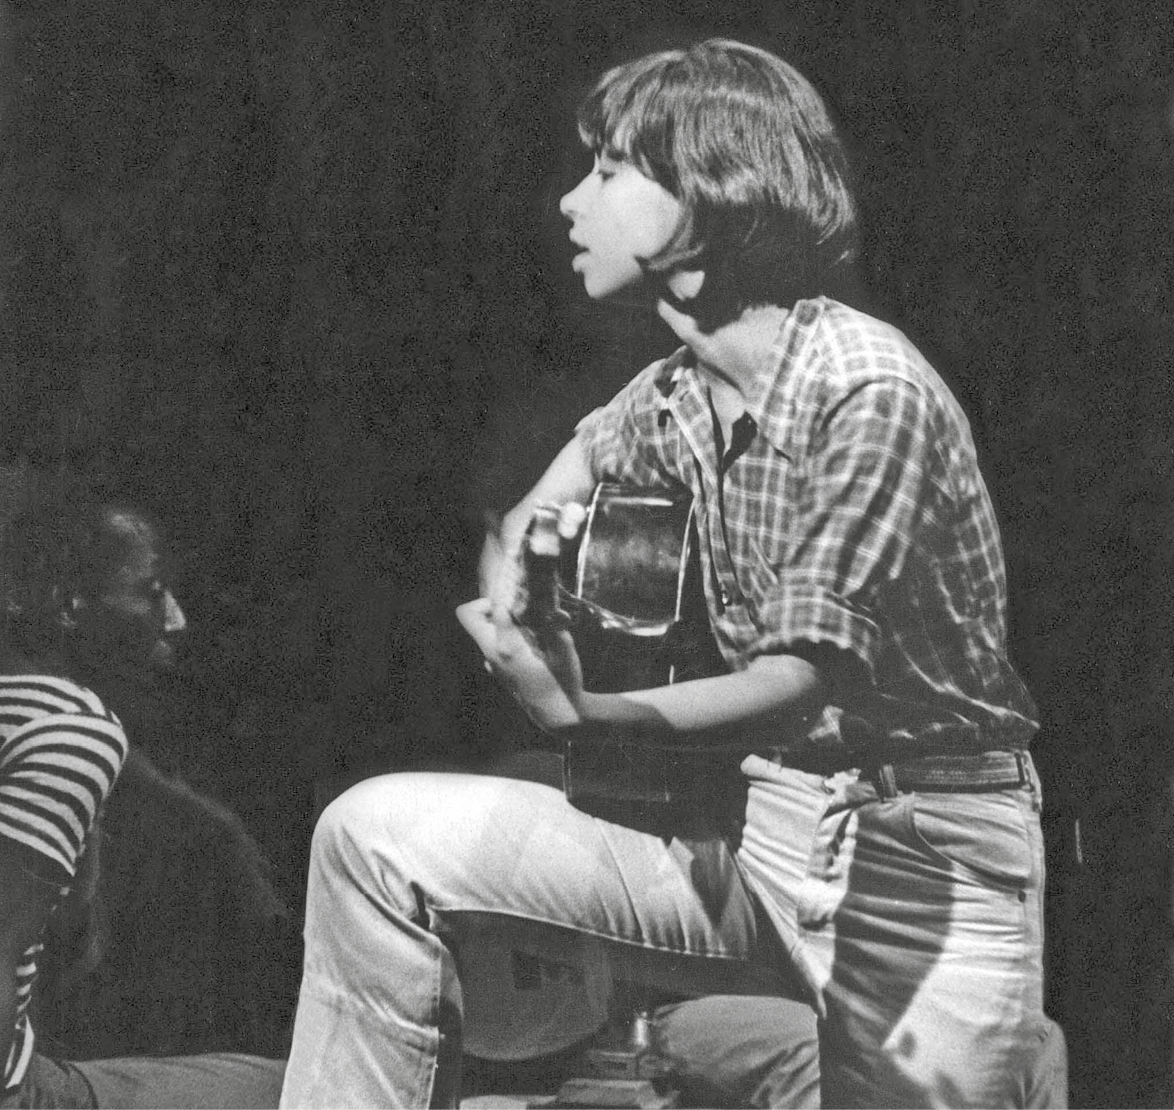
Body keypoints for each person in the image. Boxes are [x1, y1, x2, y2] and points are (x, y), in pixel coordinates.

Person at [278, 38, 1068, 1110]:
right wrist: (519, 595)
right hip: (763, 828)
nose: (570, 200)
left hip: (922, 857)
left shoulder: (868, 390)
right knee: (372, 837)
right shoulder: (677, 394)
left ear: (714, 191)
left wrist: (592, 710)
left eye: (607, 171)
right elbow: (529, 510)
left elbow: (800, 676)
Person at [0, 488, 286, 1109]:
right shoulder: (73, 733)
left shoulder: (27, 706)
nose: (177, 618)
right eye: (151, 591)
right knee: (316, 1089)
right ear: (68, 606)